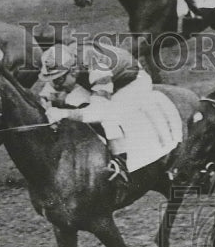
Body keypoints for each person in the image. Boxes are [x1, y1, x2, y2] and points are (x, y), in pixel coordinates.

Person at [35, 39, 151, 182]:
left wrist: (63, 113)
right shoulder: (68, 62)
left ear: (73, 71)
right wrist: (47, 104)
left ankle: (122, 165)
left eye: (58, 80)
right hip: (99, 79)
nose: (55, 84)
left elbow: (98, 112)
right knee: (71, 100)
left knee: (110, 117)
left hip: (131, 82)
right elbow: (46, 95)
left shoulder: (97, 66)